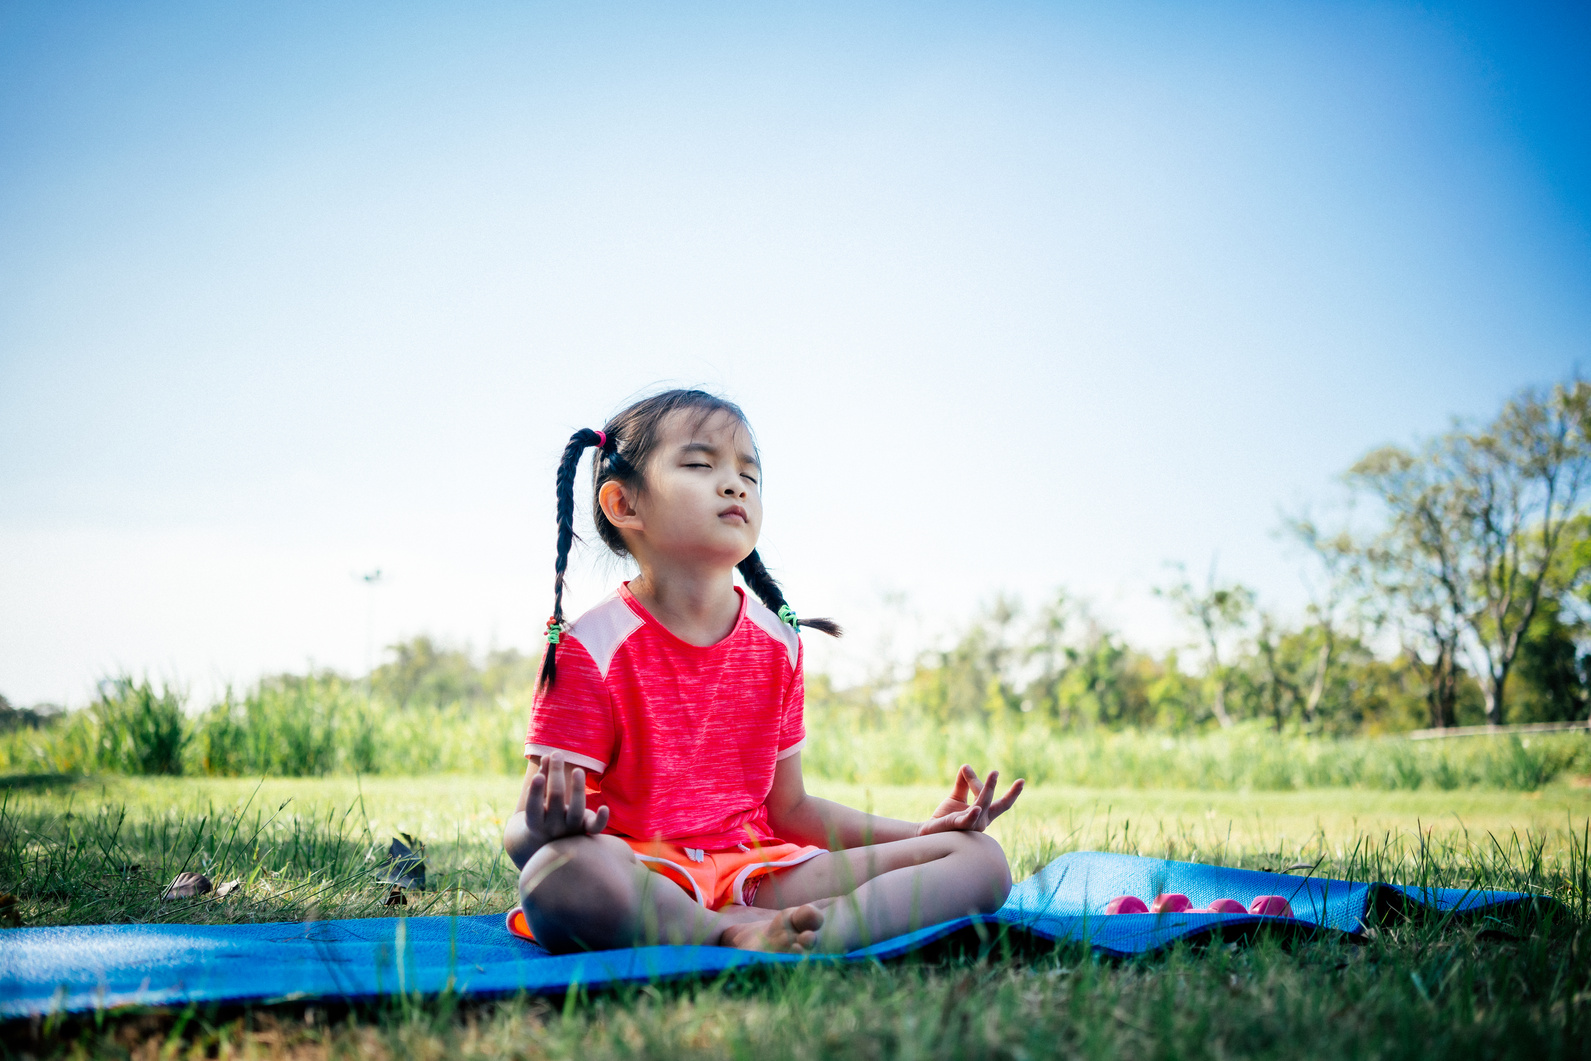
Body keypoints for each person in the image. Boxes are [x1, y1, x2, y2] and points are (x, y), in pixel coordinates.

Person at [503, 389, 1023, 954]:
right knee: (554, 872)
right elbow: (523, 832)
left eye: (749, 474)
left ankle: (820, 934)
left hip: (765, 875)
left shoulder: (779, 643)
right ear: (625, 504)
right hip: (643, 878)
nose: (735, 485)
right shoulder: (590, 648)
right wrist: (540, 829)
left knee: (981, 861)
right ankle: (733, 935)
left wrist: (923, 833)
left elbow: (791, 810)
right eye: (702, 465)